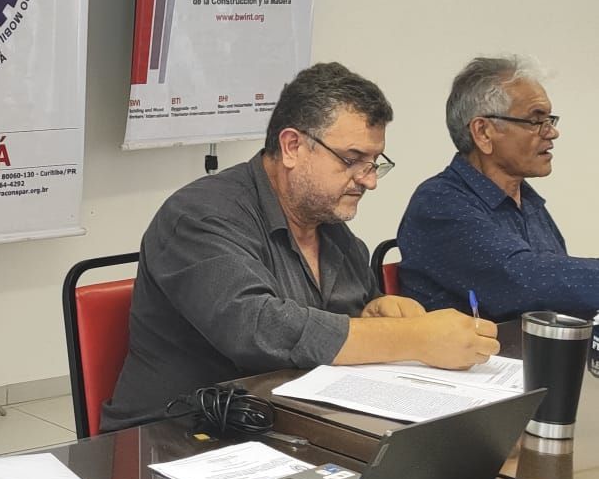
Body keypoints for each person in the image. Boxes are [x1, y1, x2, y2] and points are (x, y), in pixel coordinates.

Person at [107, 62, 497, 428]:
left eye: (374, 162)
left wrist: (377, 311)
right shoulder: (200, 215)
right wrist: (415, 338)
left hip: (291, 423)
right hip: (179, 434)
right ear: (292, 146)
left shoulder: (331, 229)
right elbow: (258, 329)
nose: (369, 180)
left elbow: (343, 322)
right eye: (352, 159)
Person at [397, 56, 599, 319]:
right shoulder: (438, 203)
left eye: (550, 120)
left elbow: (560, 296)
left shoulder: (527, 200)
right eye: (535, 121)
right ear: (483, 132)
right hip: (481, 346)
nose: (551, 132)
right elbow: (523, 282)